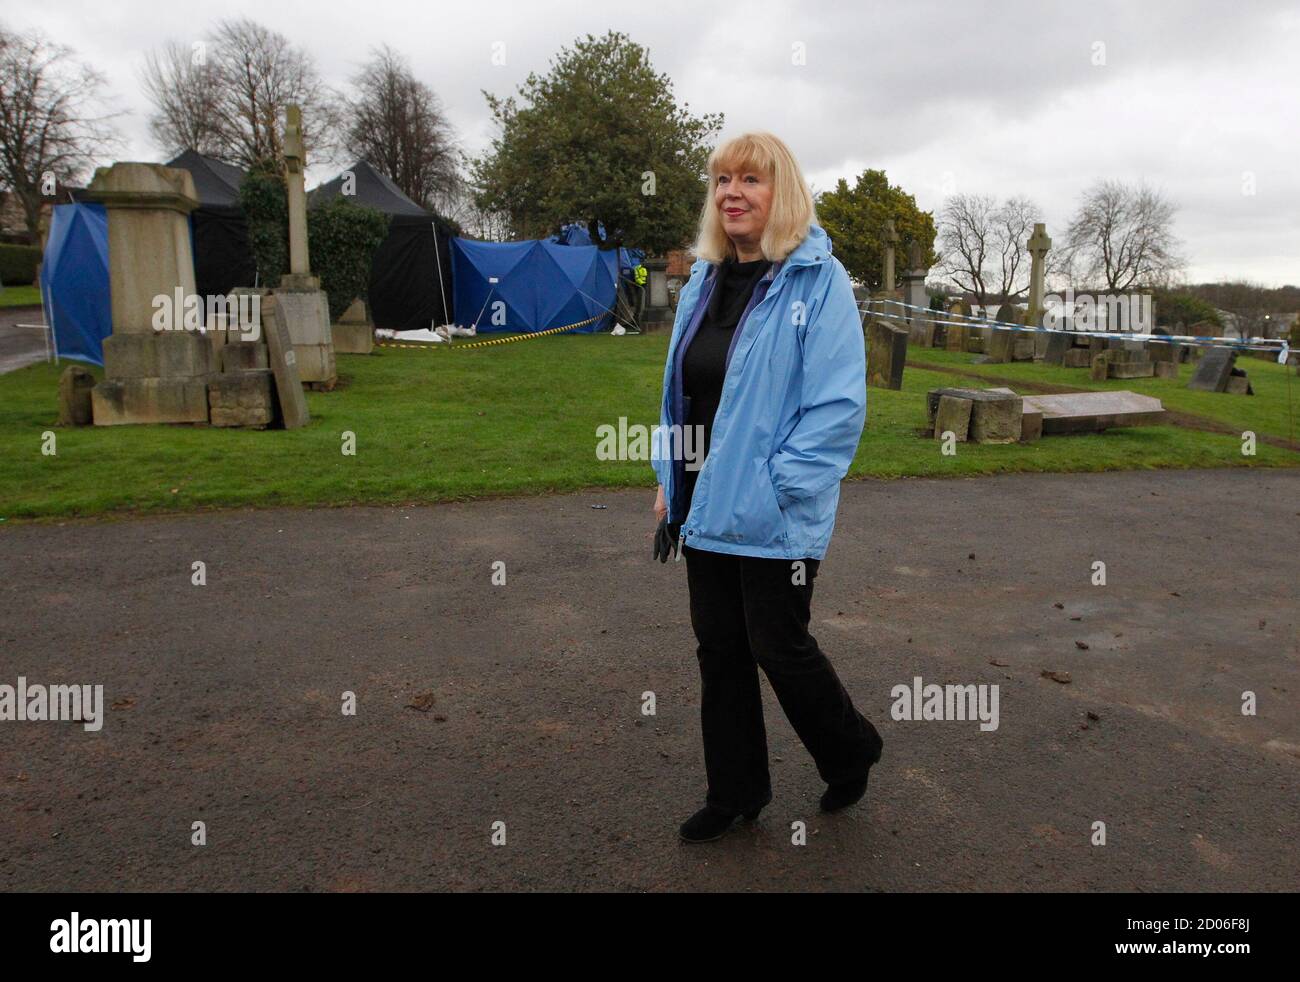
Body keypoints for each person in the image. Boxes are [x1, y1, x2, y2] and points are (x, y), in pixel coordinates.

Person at [650, 131, 883, 843]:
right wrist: (669, 479)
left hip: (775, 512)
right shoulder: (704, 281)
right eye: (722, 180)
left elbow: (838, 407)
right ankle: (736, 792)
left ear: (780, 192)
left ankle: (850, 749)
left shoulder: (819, 281)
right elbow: (682, 394)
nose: (731, 193)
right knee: (718, 649)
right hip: (705, 504)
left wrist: (784, 487)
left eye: (749, 179)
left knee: (778, 646)